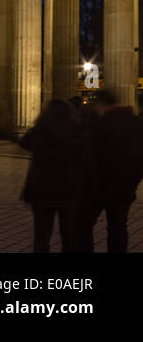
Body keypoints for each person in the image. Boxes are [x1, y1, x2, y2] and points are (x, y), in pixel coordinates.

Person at [19, 99, 88, 253]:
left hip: (42, 191)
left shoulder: (41, 130)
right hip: (69, 190)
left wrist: (40, 125)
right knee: (69, 235)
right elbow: (85, 160)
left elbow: (24, 142)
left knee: (42, 236)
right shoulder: (77, 130)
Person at [78, 89, 143, 252]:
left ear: (101, 105)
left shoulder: (100, 126)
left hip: (99, 187)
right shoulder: (134, 124)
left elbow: (89, 157)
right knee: (118, 227)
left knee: (83, 225)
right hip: (125, 188)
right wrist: (133, 182)